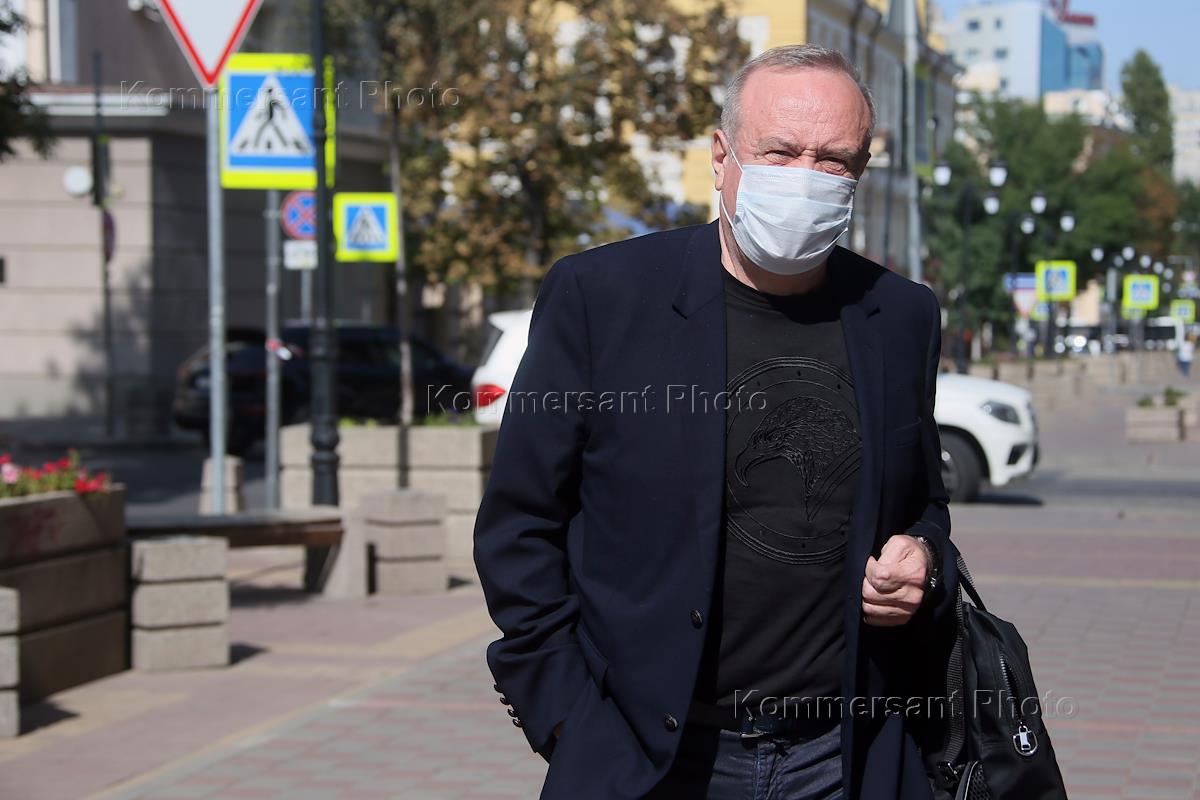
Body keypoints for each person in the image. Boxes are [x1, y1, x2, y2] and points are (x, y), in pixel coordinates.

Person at [474, 44, 959, 800]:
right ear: (722, 155)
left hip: (843, 756)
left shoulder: (900, 315)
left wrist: (924, 560)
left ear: (862, 171)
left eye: (833, 160)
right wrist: (567, 719)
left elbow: (923, 502)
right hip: (649, 758)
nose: (805, 177)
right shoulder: (601, 297)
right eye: (780, 152)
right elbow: (520, 523)